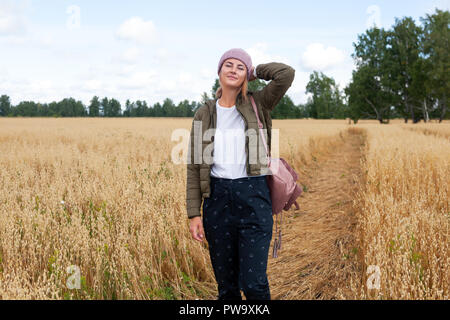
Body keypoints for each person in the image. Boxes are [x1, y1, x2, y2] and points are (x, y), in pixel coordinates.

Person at [186, 48, 295, 300]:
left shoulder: (258, 102)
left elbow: (285, 74)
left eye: (240, 67)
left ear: (246, 75)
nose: (233, 70)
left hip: (253, 198)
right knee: (227, 288)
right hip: (217, 202)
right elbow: (194, 166)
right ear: (219, 71)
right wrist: (194, 213)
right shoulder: (204, 112)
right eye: (229, 65)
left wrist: (255, 71)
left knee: (253, 284)